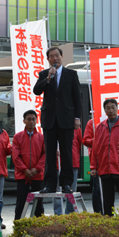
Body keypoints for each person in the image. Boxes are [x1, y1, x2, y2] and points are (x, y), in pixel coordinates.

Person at [33, 47, 82, 194]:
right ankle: (49, 184)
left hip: (67, 119)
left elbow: (77, 98)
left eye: (57, 55)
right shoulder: (44, 74)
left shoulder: (71, 74)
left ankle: (66, 183)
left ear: (61, 56)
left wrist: (77, 118)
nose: (55, 59)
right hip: (49, 119)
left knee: (66, 152)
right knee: (50, 153)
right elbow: (36, 91)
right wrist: (47, 79)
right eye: (51, 56)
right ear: (48, 60)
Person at [91, 99, 119, 216]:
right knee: (107, 200)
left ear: (118, 108)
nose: (111, 110)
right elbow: (95, 148)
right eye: (108, 108)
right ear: (105, 110)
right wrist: (93, 166)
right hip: (104, 169)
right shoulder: (99, 127)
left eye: (113, 107)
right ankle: (108, 223)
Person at [12, 110, 45, 220]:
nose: (31, 121)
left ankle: (39, 228)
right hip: (23, 176)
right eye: (28, 119)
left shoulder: (41, 137)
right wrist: (25, 170)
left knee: (39, 205)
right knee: (20, 203)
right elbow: (15, 156)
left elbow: (45, 155)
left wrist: (36, 169)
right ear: (24, 121)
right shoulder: (18, 137)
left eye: (33, 119)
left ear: (36, 121)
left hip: (37, 175)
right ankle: (18, 226)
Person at [53, 127, 83, 215]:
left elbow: (79, 144)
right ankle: (58, 214)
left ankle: (70, 214)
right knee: (57, 191)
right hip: (58, 163)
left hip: (73, 163)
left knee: (71, 191)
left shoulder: (77, 128)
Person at [82, 119, 102, 214]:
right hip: (97, 162)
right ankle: (98, 213)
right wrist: (97, 140)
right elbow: (85, 140)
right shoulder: (92, 122)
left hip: (114, 164)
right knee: (97, 188)